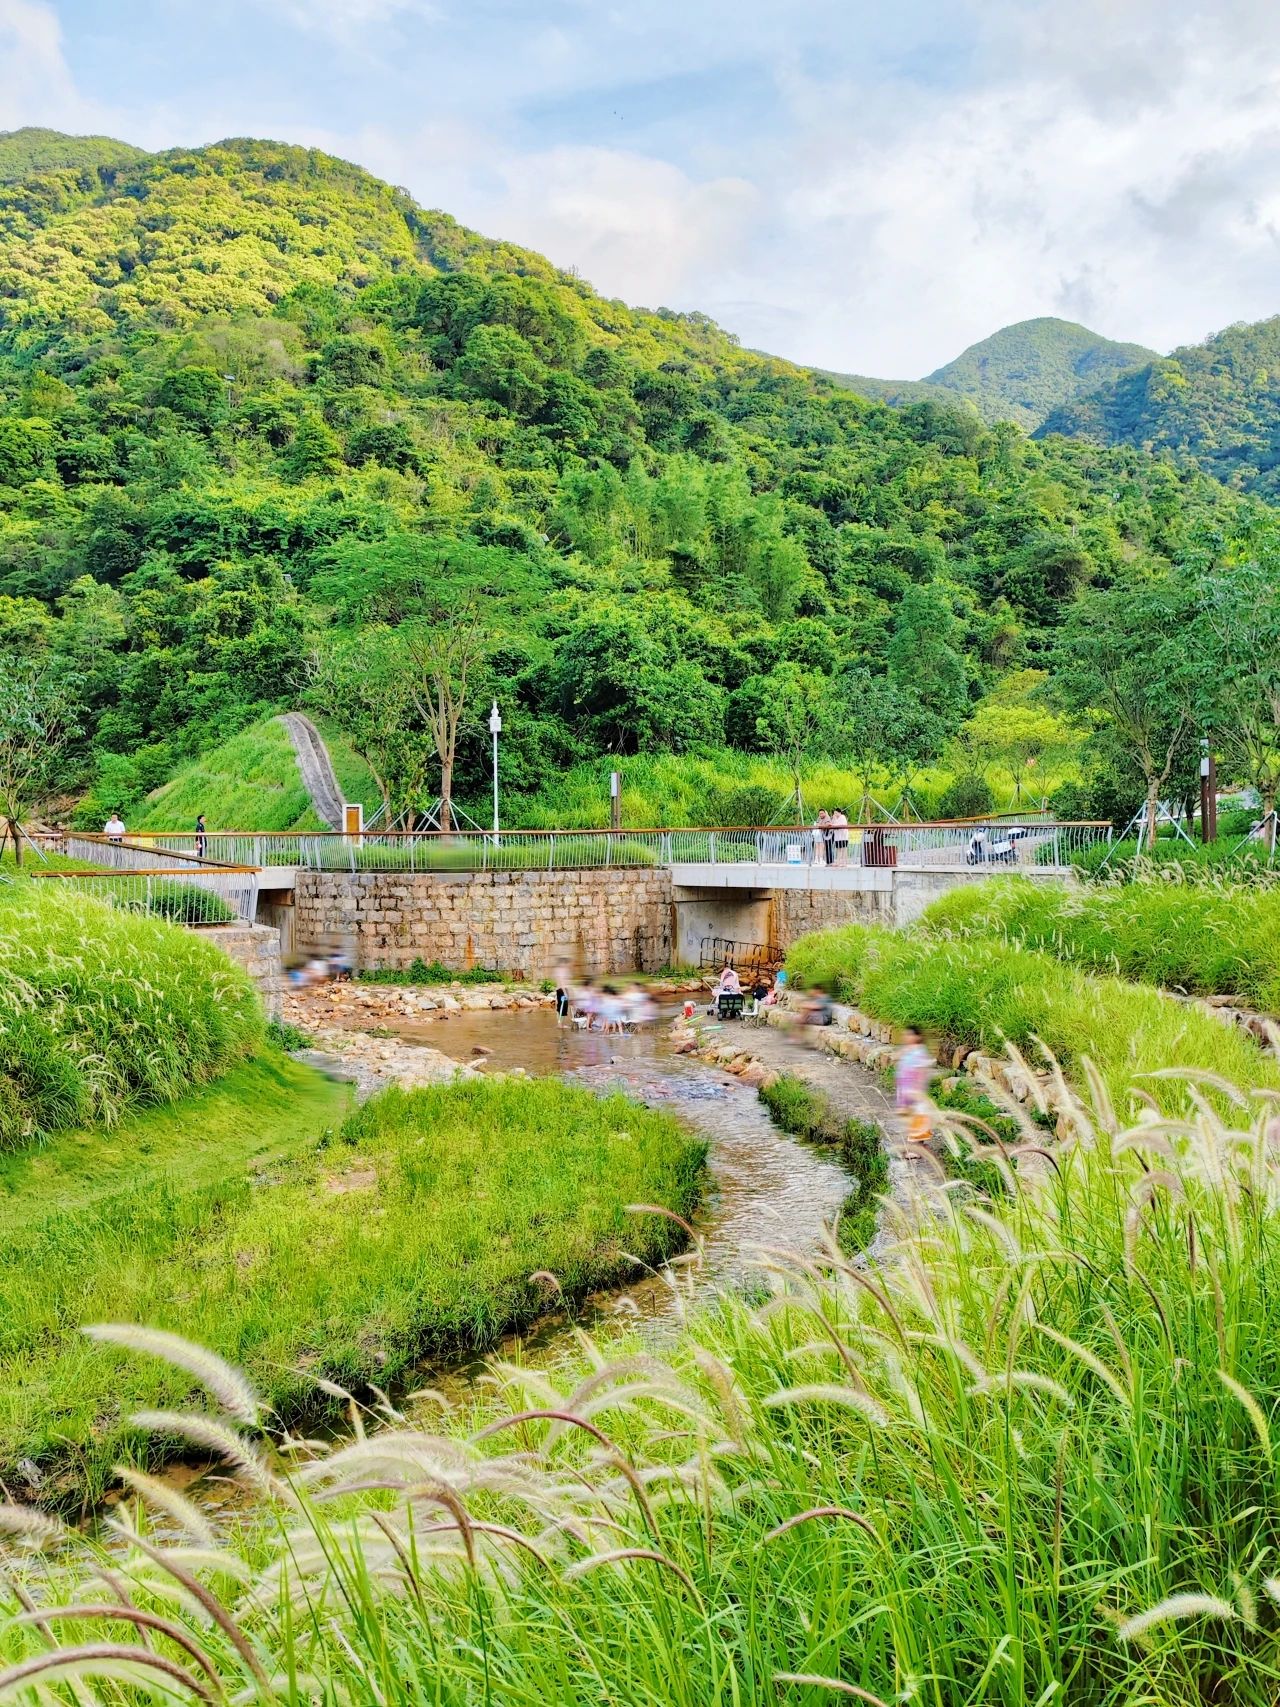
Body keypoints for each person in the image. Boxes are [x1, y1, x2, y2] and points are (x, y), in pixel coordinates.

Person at [895, 1027, 932, 1144]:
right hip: (905, 1089)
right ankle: (915, 1145)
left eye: (910, 1035)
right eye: (905, 1035)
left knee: (918, 1116)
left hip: (914, 1089)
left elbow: (922, 1071)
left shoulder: (920, 1051)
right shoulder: (907, 1050)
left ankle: (916, 1148)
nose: (907, 1037)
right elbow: (897, 1060)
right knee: (910, 1118)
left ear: (918, 1037)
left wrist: (918, 1089)